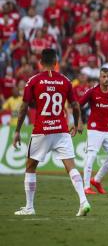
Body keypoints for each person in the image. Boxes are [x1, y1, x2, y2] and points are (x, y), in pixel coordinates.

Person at [12, 48, 90, 216]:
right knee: (71, 167)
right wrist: (76, 124)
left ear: (40, 62)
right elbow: (75, 106)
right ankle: (83, 201)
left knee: (30, 166)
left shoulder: (33, 81)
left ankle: (30, 207)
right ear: (56, 63)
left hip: (42, 130)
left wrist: (17, 131)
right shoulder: (65, 81)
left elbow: (24, 107)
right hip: (61, 130)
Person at [79, 67, 108, 195]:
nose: (106, 79)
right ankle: (86, 187)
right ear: (99, 77)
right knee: (91, 156)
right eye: (104, 76)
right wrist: (79, 122)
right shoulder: (92, 92)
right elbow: (78, 106)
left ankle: (96, 180)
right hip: (94, 129)